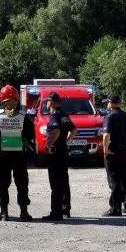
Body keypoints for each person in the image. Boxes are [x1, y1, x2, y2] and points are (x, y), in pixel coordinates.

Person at [0, 85, 33, 222]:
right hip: (20, 155)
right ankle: (24, 213)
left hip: (3, 155)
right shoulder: (24, 117)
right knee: (22, 184)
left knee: (3, 184)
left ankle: (4, 213)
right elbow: (30, 135)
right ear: (17, 100)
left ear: (2, 101)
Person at [101, 92, 126, 216]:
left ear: (111, 103)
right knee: (125, 179)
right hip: (124, 151)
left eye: (108, 102)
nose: (107, 104)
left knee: (114, 179)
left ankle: (116, 208)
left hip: (113, 151)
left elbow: (106, 135)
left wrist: (105, 149)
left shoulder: (109, 117)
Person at [42, 92, 77, 221]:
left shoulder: (55, 115)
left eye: (48, 101)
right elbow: (74, 130)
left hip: (55, 152)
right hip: (63, 150)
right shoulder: (64, 114)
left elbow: (56, 130)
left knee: (55, 182)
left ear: (53, 102)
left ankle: (56, 212)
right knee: (63, 180)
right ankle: (65, 209)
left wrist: (50, 144)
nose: (46, 103)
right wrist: (65, 142)